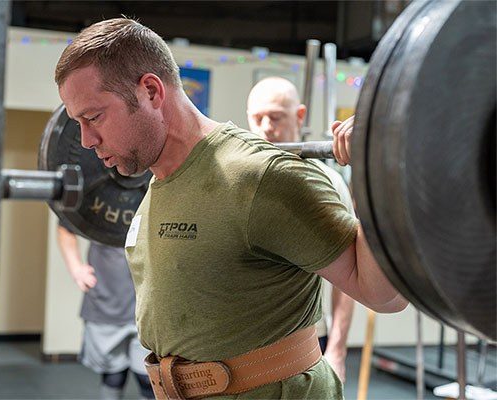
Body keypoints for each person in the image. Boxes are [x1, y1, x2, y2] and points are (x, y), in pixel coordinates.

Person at [55, 18, 408, 399]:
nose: (86, 140)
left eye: (93, 118)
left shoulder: (260, 177)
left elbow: (386, 296)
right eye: (78, 123)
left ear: (151, 92)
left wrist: (377, 175)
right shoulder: (158, 181)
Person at [246, 76, 355, 382]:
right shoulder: (240, 178)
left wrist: (337, 350)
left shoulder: (328, 184)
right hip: (242, 349)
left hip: (303, 346)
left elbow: (348, 279)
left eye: (276, 117)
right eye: (258, 118)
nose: (266, 127)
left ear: (300, 116)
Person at [56, 223, 154, 400]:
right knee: (113, 376)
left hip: (148, 307)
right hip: (106, 302)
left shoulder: (155, 196)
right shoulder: (97, 197)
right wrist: (76, 268)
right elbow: (66, 225)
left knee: (149, 378)